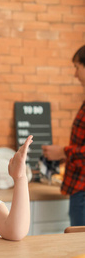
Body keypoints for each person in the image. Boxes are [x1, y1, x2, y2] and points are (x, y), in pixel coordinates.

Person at [42, 45, 85, 226]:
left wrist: (63, 152)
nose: (75, 74)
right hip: (79, 187)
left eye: (77, 67)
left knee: (79, 249)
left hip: (83, 190)